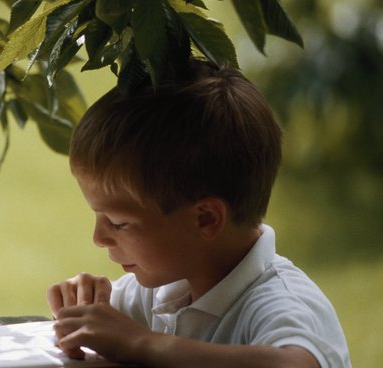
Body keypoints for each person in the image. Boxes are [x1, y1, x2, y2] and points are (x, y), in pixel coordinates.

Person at [46, 58, 350, 368]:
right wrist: (83, 305)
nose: (98, 238)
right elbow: (103, 327)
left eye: (118, 223)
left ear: (205, 218)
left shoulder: (279, 304)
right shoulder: (163, 291)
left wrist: (142, 343)